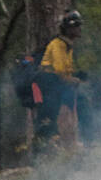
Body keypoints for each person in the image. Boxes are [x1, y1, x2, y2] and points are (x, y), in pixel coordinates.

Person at [37, 10, 93, 148]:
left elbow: (66, 71)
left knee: (77, 106)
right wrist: (74, 80)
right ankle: (48, 149)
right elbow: (60, 71)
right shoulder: (58, 45)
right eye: (77, 26)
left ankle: (75, 143)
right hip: (50, 86)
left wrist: (76, 76)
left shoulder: (67, 45)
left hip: (59, 85)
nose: (80, 29)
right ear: (69, 29)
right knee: (52, 119)